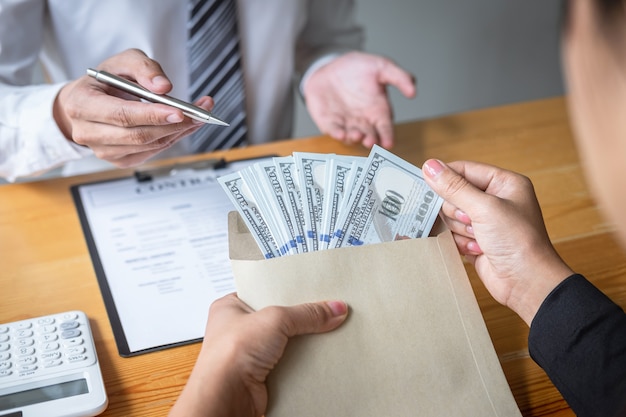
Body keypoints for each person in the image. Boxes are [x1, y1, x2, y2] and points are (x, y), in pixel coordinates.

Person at [0, 1, 416, 182]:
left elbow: (321, 35)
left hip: (263, 173)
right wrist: (61, 118)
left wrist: (326, 64)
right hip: (108, 188)